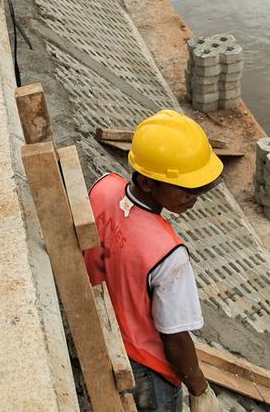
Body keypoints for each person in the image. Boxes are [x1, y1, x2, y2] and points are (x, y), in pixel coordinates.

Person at [84, 109, 223, 412]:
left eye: (198, 188)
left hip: (101, 328)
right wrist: (199, 390)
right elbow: (174, 338)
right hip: (144, 364)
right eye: (186, 188)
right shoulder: (168, 254)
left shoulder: (103, 187)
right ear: (147, 182)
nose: (193, 196)